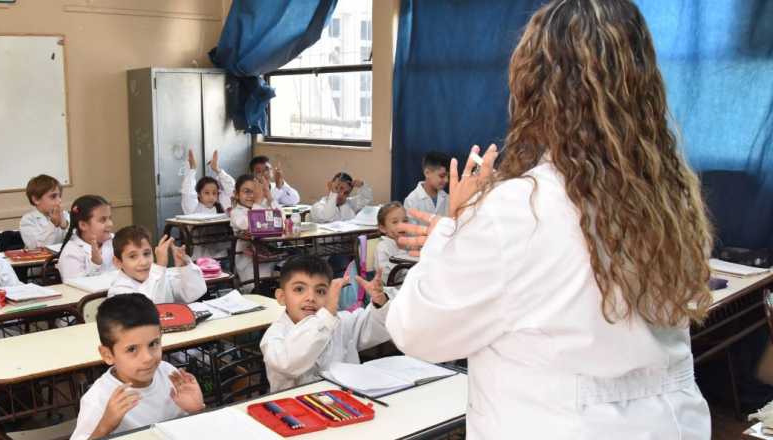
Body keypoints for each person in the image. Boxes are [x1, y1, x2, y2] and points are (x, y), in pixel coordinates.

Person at [387, 1, 713, 438]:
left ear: (533, 88)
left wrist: (453, 229)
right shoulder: (669, 198)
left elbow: (416, 330)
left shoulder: (519, 209)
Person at [69, 294, 205, 439]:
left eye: (153, 344)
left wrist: (196, 410)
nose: (147, 358)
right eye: (132, 349)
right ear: (107, 355)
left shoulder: (169, 374)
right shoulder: (98, 399)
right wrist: (105, 426)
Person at [260, 255, 391, 392]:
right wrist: (326, 316)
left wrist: (379, 301)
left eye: (320, 291)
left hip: (347, 402)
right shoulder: (274, 337)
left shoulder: (339, 322)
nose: (311, 298)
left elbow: (374, 325)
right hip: (295, 408)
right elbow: (289, 363)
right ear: (282, 297)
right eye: (299, 289)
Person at [403, 152, 450, 223]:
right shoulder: (411, 201)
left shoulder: (447, 198)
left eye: (448, 176)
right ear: (427, 173)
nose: (446, 180)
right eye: (442, 176)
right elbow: (411, 232)